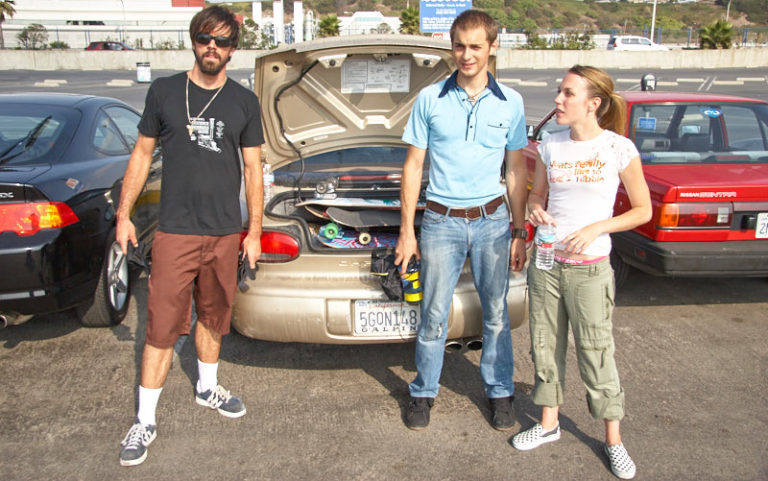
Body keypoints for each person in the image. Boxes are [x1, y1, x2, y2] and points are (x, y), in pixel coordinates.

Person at [115, 6, 264, 467]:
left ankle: (207, 387)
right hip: (175, 232)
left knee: (214, 317)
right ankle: (145, 419)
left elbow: (254, 168)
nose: (212, 47)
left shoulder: (244, 101)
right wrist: (123, 216)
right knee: (160, 327)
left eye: (221, 41)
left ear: (234, 48)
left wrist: (254, 231)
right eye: (204, 38)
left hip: (223, 233)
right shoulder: (163, 92)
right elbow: (141, 156)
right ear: (193, 41)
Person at [511, 65, 651, 480]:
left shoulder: (618, 148)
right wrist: (535, 210)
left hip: (591, 271)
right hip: (548, 265)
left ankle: (613, 440)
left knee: (596, 352)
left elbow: (643, 210)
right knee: (544, 345)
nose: (558, 100)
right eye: (559, 91)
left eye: (567, 94)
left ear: (594, 104)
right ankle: (549, 424)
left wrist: (596, 227)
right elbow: (537, 194)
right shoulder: (552, 145)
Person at [395, 10, 529, 431]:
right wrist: (406, 233)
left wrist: (519, 231)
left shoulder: (513, 102)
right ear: (450, 46)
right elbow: (413, 167)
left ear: (492, 48)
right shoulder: (430, 99)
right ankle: (423, 392)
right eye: (459, 45)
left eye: (475, 46)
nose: (466, 55)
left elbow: (516, 172)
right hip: (439, 222)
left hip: (493, 221)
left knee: (495, 313)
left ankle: (500, 391)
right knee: (433, 313)